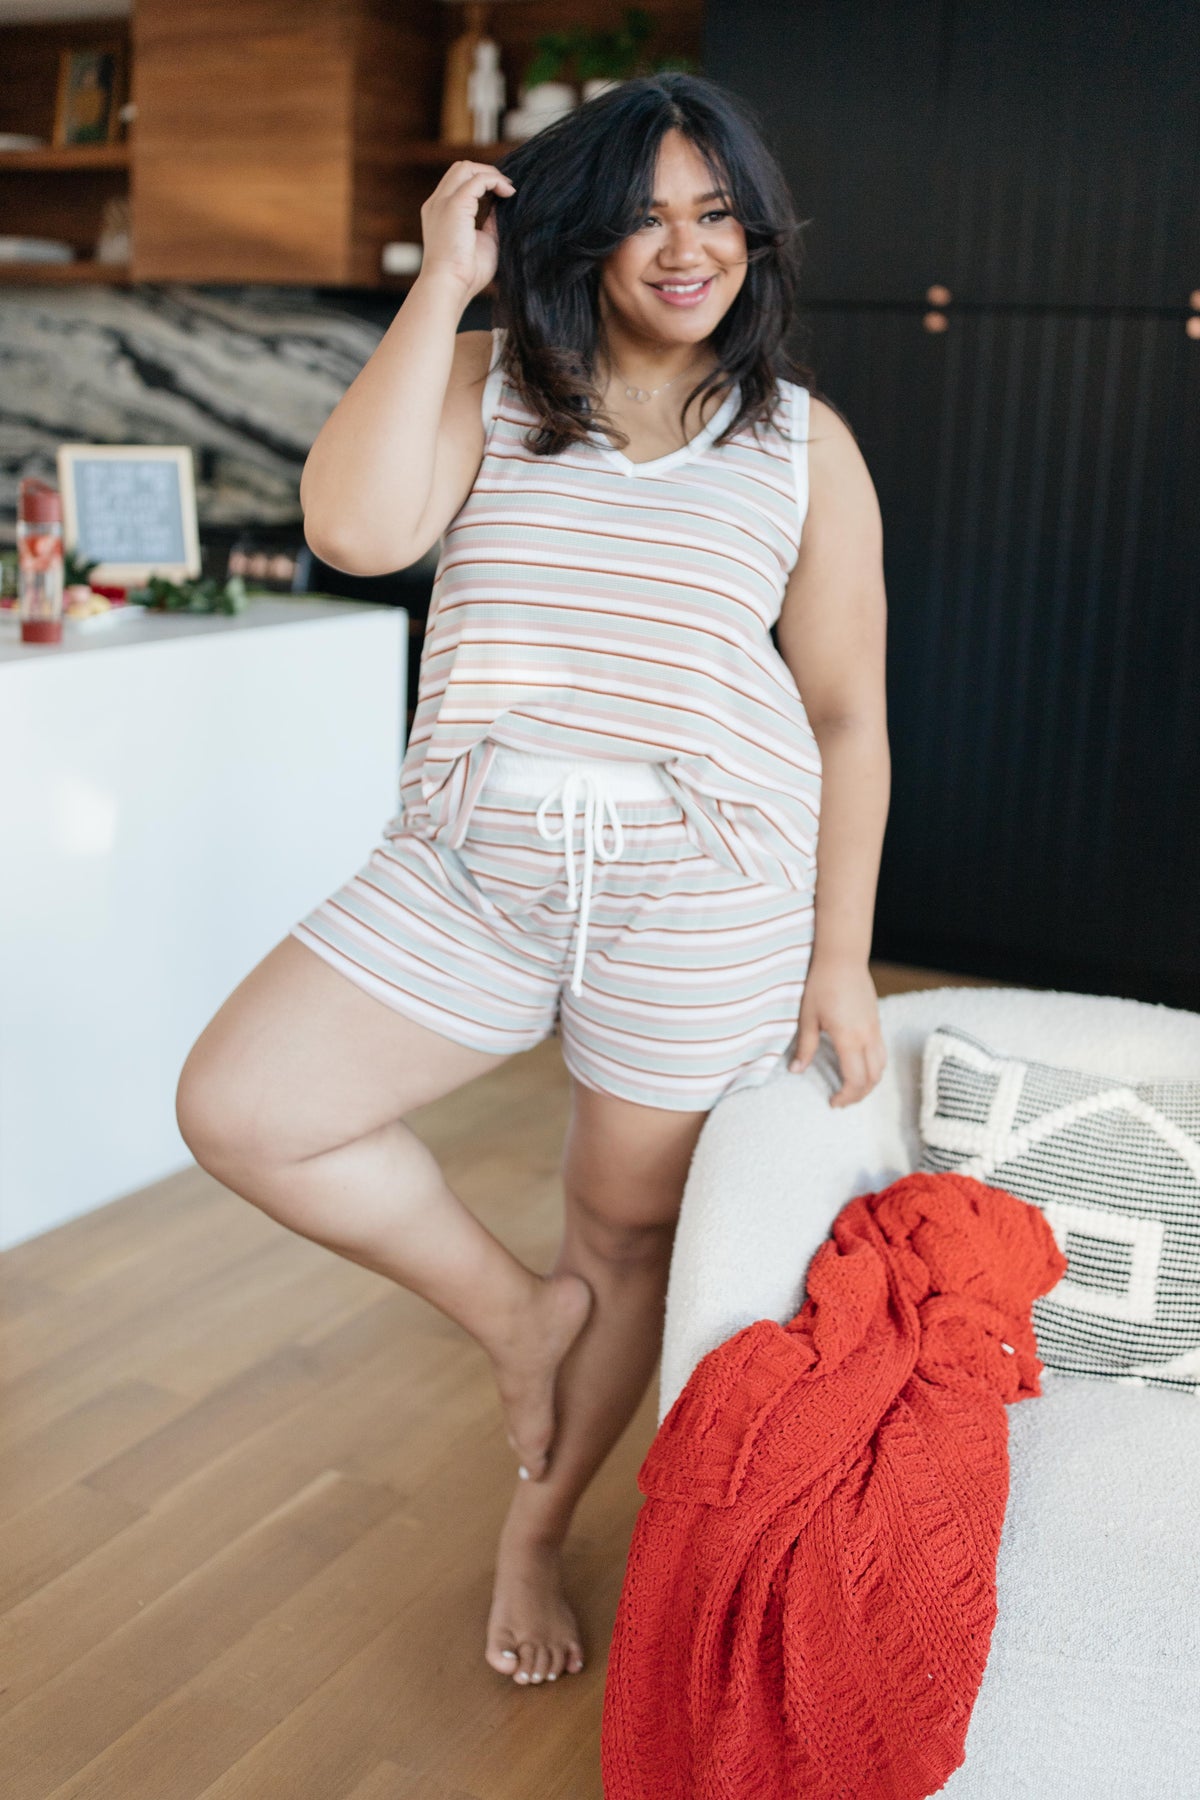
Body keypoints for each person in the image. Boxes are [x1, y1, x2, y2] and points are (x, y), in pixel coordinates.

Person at [175, 71, 890, 1692]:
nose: (687, 250)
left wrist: (840, 956)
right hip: (473, 866)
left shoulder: (802, 446)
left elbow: (846, 713)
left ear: (757, 236)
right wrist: (444, 282)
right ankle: (515, 1318)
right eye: (646, 217)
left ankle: (534, 1529)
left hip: (701, 889)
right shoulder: (489, 378)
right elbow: (355, 532)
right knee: (244, 1107)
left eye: (717, 214)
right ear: (576, 235)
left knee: (622, 1235)